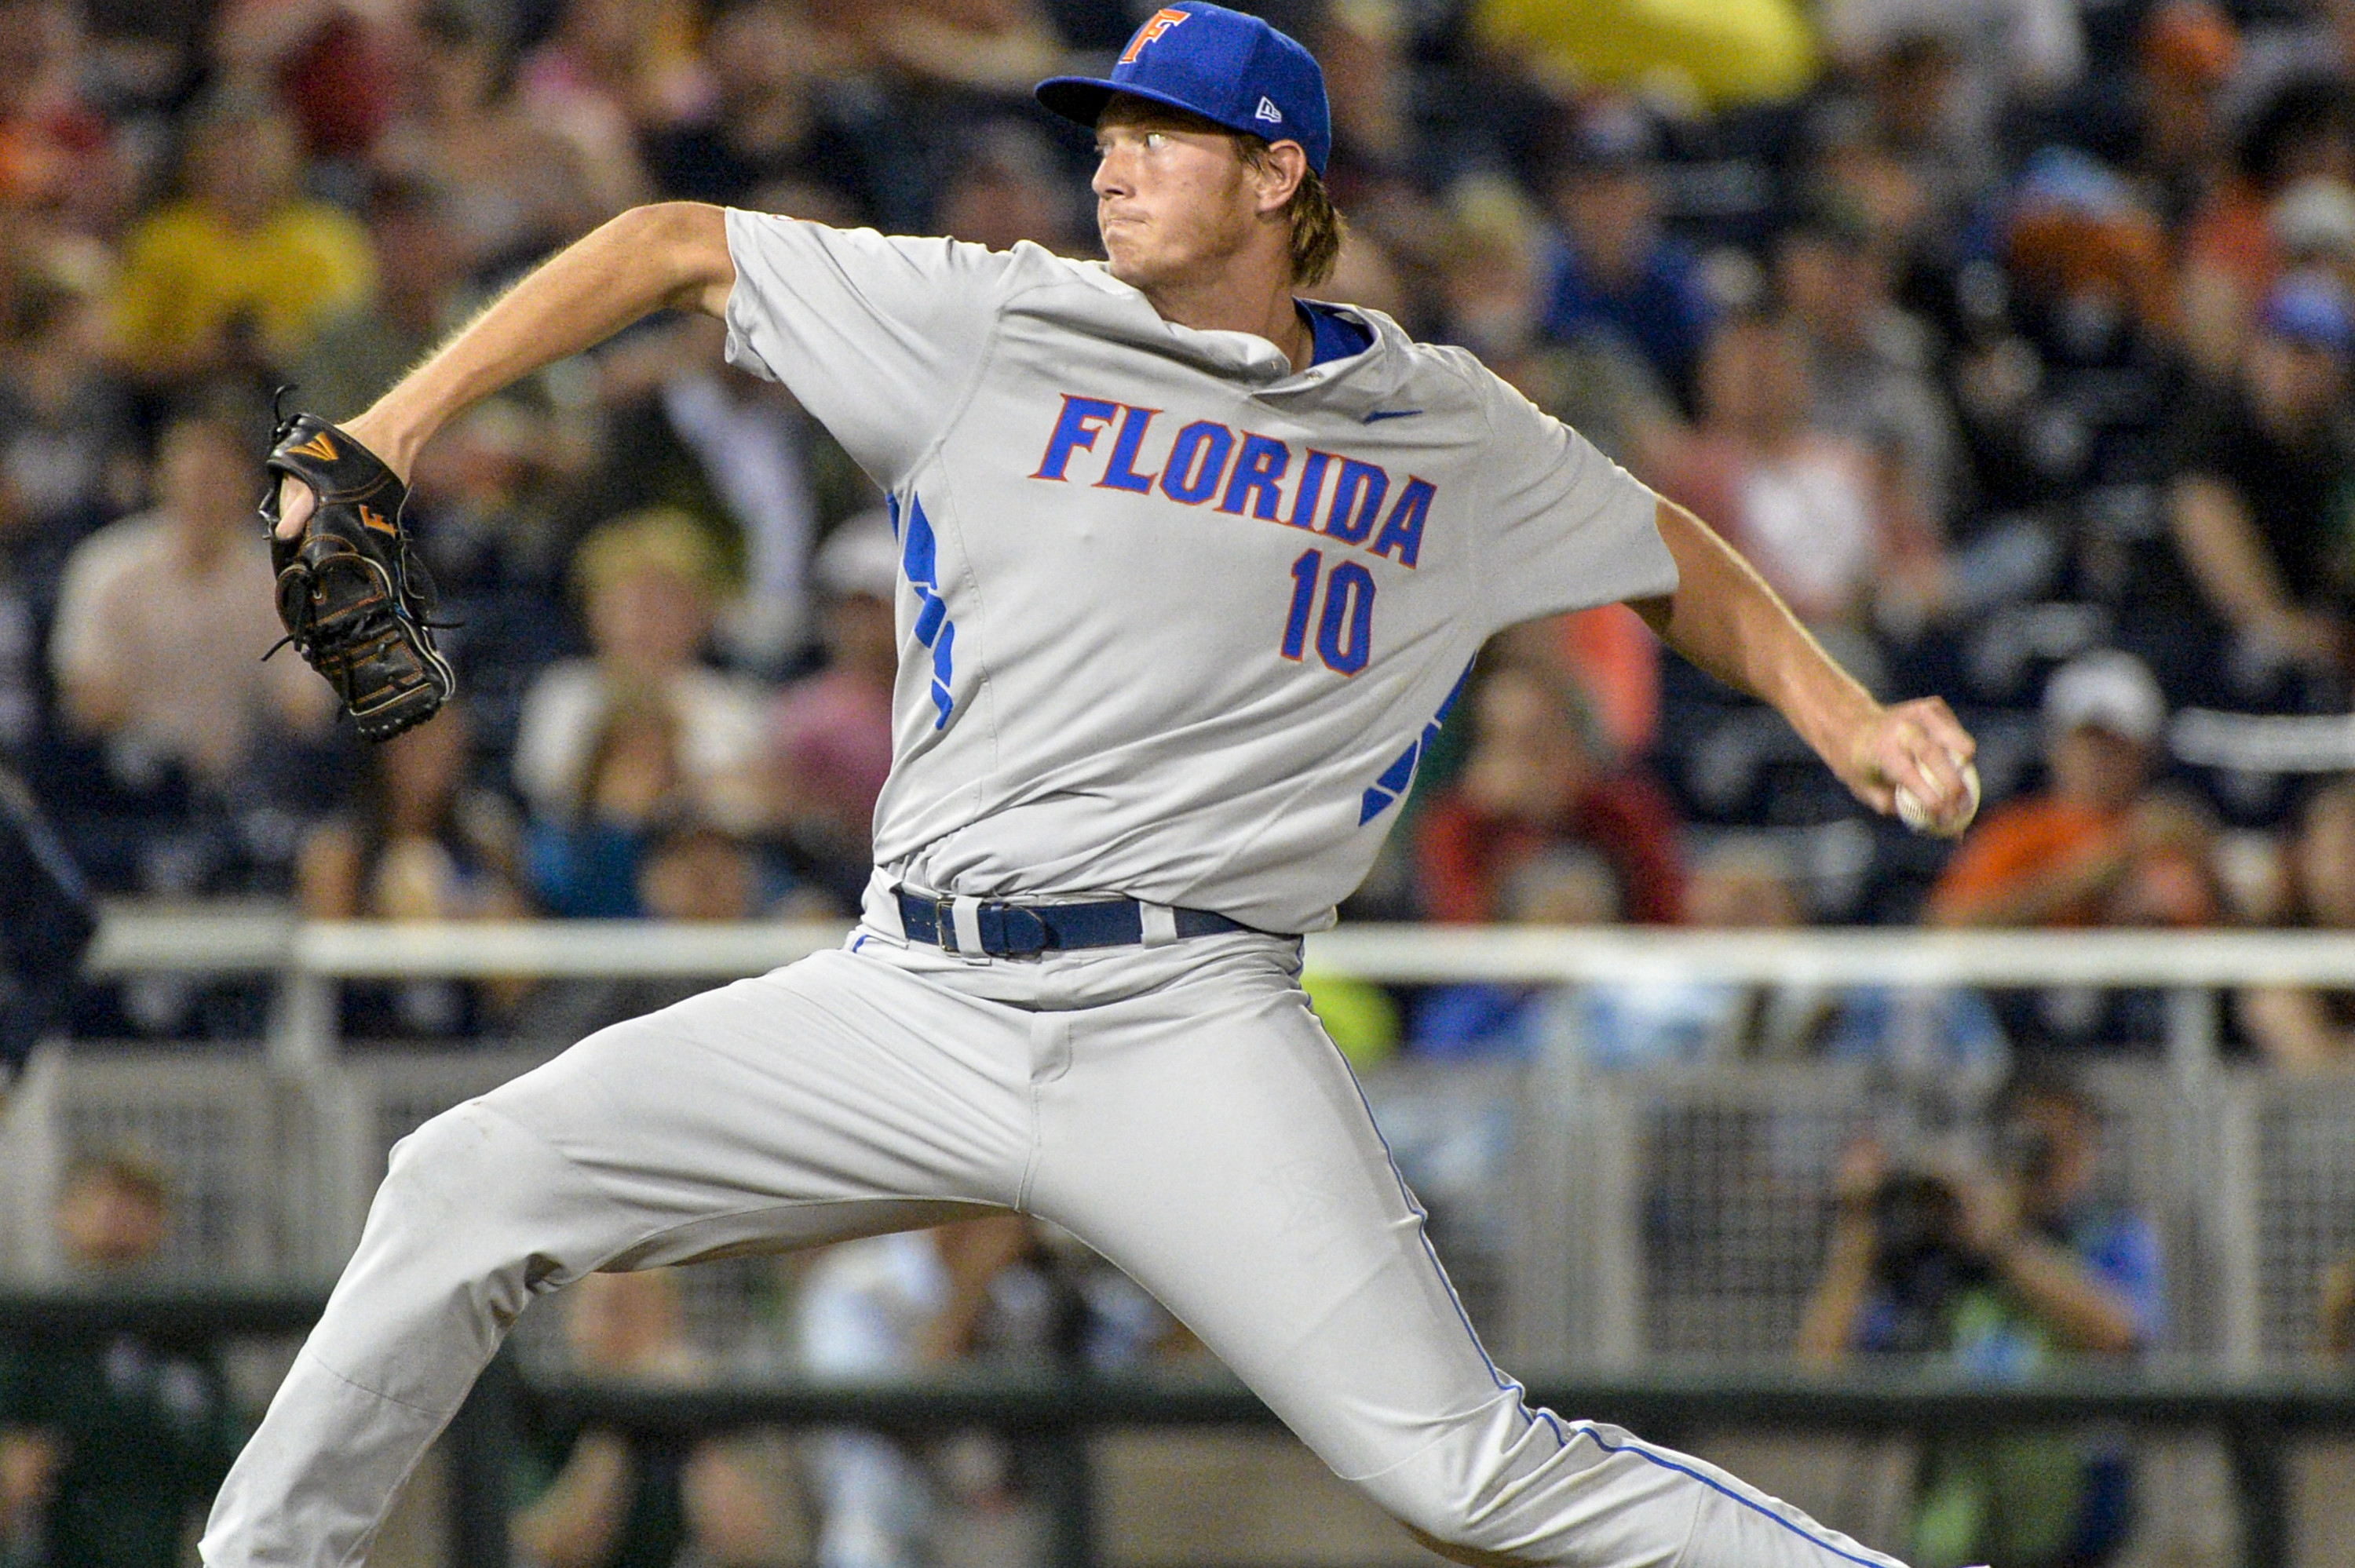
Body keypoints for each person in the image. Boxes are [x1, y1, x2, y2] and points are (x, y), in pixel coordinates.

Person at [221, 7, 1979, 1566]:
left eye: (1157, 135)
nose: (1113, 165)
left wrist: (1844, 719)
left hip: (1185, 1017)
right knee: (463, 1185)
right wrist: (398, 423)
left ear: (1278, 172)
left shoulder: (1445, 428)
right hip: (910, 993)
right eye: (1105, 134)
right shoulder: (990, 321)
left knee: (1464, 1481)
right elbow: (677, 245)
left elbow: (1658, 546)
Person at [1796, 1068, 2160, 1568]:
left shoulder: (2107, 1237)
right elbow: (1819, 1368)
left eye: (2072, 1146)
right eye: (2037, 1146)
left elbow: (2121, 1336)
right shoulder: (1941, 1253)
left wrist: (2002, 1243)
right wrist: (1861, 1224)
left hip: (2073, 1540)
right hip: (1953, 1538)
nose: (2056, 1165)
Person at [50, 404, 332, 793]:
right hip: (132, 781)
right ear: (162, 480)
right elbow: (87, 698)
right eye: (192, 479)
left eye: (218, 480)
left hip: (246, 782)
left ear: (248, 486)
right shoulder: (107, 567)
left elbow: (305, 705)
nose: (203, 496)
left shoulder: (282, 578)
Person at [0, 1156, 241, 1568]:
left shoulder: (184, 1336)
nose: (117, 1216)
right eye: (101, 1199)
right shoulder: (34, 1330)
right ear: (66, 1213)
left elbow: (220, 1459)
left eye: (135, 1203)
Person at [512, 1270, 790, 1568]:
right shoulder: (545, 1412)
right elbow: (551, 1549)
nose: (621, 1328)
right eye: (611, 1307)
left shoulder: (697, 1406)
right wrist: (619, 1423)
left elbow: (754, 1545)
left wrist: (697, 1422)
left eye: (640, 1306)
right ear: (574, 1319)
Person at [2236, 778, 2355, 1072]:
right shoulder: (2276, 937)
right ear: (2303, 858)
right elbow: (2308, 1055)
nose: (2350, 867)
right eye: (2340, 851)